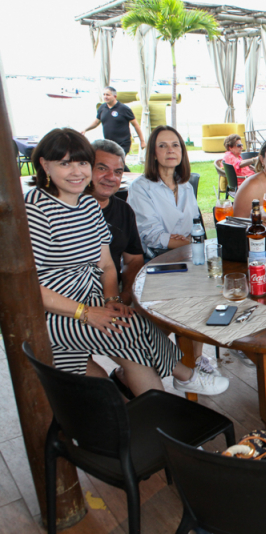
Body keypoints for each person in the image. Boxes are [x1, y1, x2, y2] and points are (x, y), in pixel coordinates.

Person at [25, 128, 228, 397]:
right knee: (133, 329)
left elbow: (107, 265)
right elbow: (28, 287)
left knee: (132, 337)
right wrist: (86, 313)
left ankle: (160, 427)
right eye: (65, 163)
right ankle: (186, 375)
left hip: (91, 300)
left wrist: (113, 301)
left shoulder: (87, 206)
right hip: (52, 313)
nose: (76, 172)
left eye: (82, 163)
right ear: (44, 164)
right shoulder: (36, 209)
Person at [127, 125, 200, 260]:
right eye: (162, 146)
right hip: (154, 259)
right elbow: (152, 237)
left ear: (182, 151)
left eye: (175, 145)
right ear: (153, 153)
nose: (171, 150)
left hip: (186, 254)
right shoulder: (140, 188)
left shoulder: (186, 186)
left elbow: (195, 226)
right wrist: (191, 242)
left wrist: (180, 240)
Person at [86, 139, 144, 305]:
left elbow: (133, 260)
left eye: (118, 172)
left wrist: (125, 295)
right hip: (75, 302)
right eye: (102, 168)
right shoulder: (69, 210)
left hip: (113, 295)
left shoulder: (124, 211)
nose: (111, 177)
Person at [81, 86, 145, 171]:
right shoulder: (102, 108)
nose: (105, 97)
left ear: (115, 96)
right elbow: (96, 122)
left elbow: (136, 125)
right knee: (114, 163)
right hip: (109, 143)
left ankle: (129, 177)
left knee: (117, 161)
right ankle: (127, 176)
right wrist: (85, 129)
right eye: (104, 94)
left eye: (108, 95)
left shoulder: (124, 109)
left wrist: (142, 141)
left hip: (123, 142)